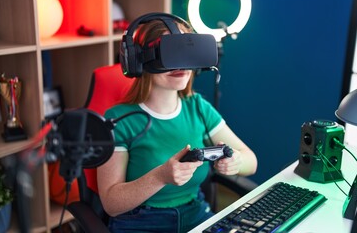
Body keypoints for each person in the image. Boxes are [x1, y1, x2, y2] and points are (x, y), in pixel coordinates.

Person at [97, 16, 258, 233]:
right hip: (140, 223)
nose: (180, 64)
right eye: (169, 54)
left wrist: (236, 162)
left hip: (196, 215)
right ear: (138, 61)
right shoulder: (119, 120)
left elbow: (251, 161)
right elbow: (111, 204)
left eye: (185, 51)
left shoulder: (197, 108)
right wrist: (159, 176)